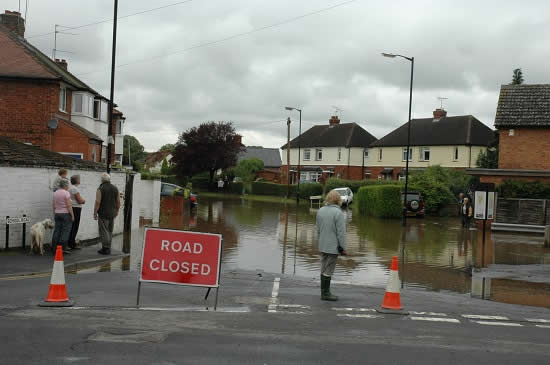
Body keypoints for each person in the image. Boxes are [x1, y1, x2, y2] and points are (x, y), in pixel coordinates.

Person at [316, 190, 347, 301]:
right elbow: (341, 233)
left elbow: (318, 229)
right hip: (333, 247)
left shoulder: (320, 210)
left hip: (322, 245)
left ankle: (323, 292)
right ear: (338, 200)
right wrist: (343, 248)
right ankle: (326, 294)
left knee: (323, 268)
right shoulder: (338, 213)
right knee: (329, 270)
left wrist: (319, 242)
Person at [94, 173, 120, 255]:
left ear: (102, 180)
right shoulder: (115, 188)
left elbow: (98, 202)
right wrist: (117, 210)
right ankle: (108, 246)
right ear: (109, 180)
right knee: (110, 230)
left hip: (103, 213)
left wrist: (95, 212)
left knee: (104, 230)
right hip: (112, 213)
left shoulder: (100, 188)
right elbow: (118, 201)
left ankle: (106, 248)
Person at [51, 178, 74, 254]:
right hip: (66, 214)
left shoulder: (55, 193)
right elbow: (69, 205)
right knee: (65, 231)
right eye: (68, 185)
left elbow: (54, 205)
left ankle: (54, 247)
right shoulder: (66, 193)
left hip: (57, 213)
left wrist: (55, 213)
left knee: (57, 230)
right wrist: (72, 215)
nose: (68, 186)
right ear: (65, 185)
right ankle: (62, 248)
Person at [68, 175, 86, 250]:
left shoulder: (70, 188)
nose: (80, 180)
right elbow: (79, 200)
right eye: (79, 179)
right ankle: (72, 244)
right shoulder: (74, 189)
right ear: (76, 180)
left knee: (72, 226)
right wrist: (84, 201)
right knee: (75, 226)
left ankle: (70, 242)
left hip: (72, 208)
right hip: (76, 208)